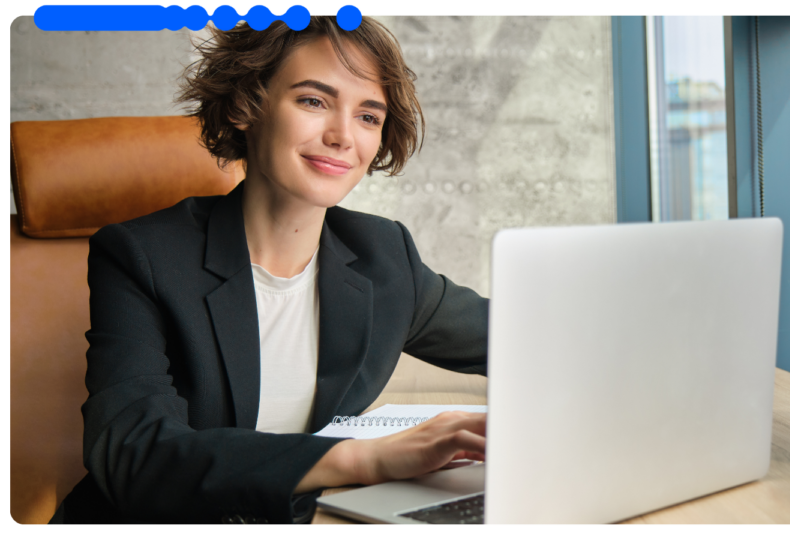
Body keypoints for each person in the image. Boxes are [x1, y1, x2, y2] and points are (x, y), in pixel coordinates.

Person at [52, 16, 489, 524]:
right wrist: (362, 458)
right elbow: (134, 454)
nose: (342, 136)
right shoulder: (142, 256)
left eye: (369, 116)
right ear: (245, 107)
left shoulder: (384, 255)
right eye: (314, 101)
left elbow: (525, 339)